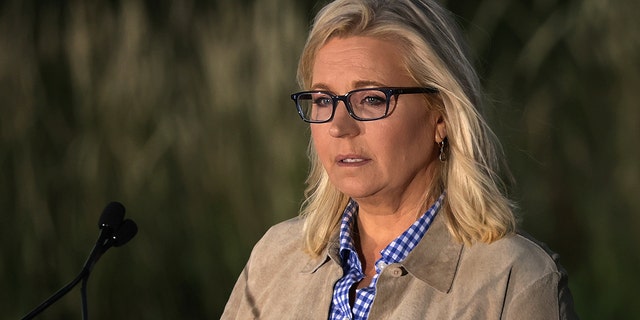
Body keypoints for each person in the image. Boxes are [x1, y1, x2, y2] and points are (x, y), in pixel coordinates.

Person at [222, 0, 578, 319]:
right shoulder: (275, 257)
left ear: (441, 115)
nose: (339, 126)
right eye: (323, 100)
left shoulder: (514, 280)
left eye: (372, 99)